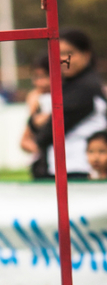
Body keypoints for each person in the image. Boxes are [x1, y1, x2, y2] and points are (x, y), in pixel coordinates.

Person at [34, 29, 107, 180]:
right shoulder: (74, 85)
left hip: (77, 169)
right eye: (58, 53)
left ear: (86, 54)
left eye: (69, 53)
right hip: (70, 168)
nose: (63, 59)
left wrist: (34, 122)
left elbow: (48, 132)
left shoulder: (85, 87)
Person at [20, 54, 51, 179]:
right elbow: (25, 141)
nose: (39, 83)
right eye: (36, 77)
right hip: (44, 167)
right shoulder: (37, 98)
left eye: (44, 76)